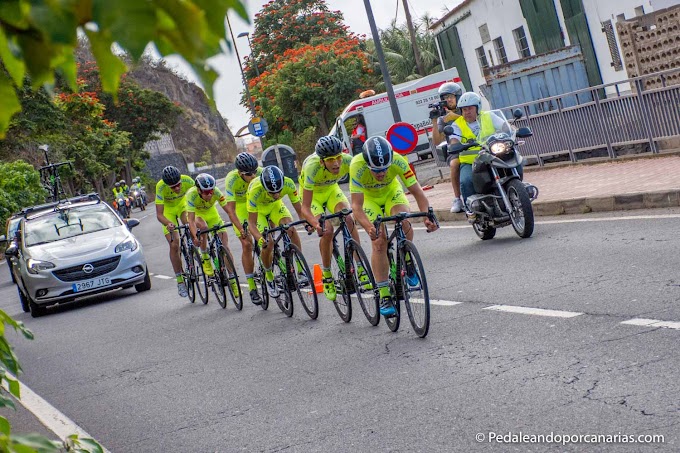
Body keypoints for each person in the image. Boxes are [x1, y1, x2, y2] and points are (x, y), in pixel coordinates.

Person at [350, 136, 438, 317]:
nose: (381, 173)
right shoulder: (357, 166)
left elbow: (418, 192)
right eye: (376, 170)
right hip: (369, 199)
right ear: (367, 164)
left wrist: (427, 215)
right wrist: (368, 227)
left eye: (384, 169)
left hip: (391, 192)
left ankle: (406, 258)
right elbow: (357, 207)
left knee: (404, 219)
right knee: (379, 241)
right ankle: (384, 295)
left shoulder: (398, 160)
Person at [299, 135, 369, 301]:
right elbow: (305, 207)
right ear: (322, 161)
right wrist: (316, 224)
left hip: (331, 190)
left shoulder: (348, 161)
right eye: (331, 160)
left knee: (349, 218)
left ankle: (360, 267)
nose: (337, 163)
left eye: (338, 157)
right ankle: (327, 274)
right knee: (327, 230)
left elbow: (364, 182)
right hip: (313, 196)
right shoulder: (311, 168)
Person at [246, 165, 307, 298]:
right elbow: (251, 224)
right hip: (259, 211)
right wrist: (260, 240)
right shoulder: (255, 191)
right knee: (268, 243)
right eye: (272, 192)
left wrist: (307, 223)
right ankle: (269, 276)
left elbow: (300, 210)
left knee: (291, 228)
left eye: (278, 191)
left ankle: (301, 270)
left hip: (275, 207)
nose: (277, 195)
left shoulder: (289, 184)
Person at [446, 92, 509, 208]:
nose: (467, 112)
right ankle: (471, 209)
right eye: (464, 109)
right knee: (466, 181)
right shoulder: (457, 125)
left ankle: (517, 192)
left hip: (492, 156)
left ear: (478, 107)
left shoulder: (488, 116)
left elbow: (505, 127)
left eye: (470, 108)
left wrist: (515, 131)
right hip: (470, 162)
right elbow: (454, 140)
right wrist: (455, 145)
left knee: (513, 162)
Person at [186, 173, 240, 297]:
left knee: (225, 246)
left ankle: (233, 280)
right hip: (198, 215)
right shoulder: (191, 195)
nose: (209, 194)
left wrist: (239, 227)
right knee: (204, 228)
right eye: (206, 192)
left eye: (211, 191)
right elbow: (191, 220)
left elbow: (229, 211)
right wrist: (195, 236)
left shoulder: (216, 192)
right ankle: (205, 256)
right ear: (199, 190)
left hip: (212, 213)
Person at [224, 152, 263, 305]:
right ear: (240, 173)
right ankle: (252, 287)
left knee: (268, 237)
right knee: (247, 244)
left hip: (257, 205)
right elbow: (231, 211)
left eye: (255, 171)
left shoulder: (259, 173)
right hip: (240, 208)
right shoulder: (232, 180)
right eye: (249, 174)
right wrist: (241, 229)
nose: (253, 176)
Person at [155, 166, 195, 298]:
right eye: (173, 187)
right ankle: (180, 281)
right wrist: (168, 223)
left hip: (183, 205)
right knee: (174, 244)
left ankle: (193, 247)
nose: (177, 188)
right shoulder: (160, 187)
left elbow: (197, 199)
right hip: (168, 211)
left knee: (189, 223)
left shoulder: (188, 181)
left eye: (178, 185)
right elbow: (159, 214)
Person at [429, 82, 464, 213]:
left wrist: (456, 117)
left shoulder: (466, 108)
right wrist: (434, 121)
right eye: (444, 97)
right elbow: (437, 141)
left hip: (476, 145)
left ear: (458, 96)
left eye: (451, 96)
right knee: (455, 164)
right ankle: (457, 198)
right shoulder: (443, 119)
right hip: (456, 150)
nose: (448, 100)